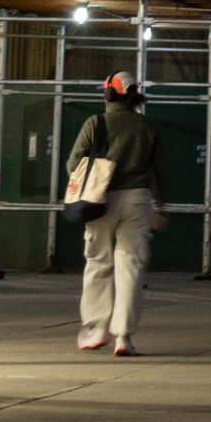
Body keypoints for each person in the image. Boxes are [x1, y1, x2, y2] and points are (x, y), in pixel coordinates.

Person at [69, 70, 169, 355]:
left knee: (98, 262)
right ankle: (124, 337)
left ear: (109, 94)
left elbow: (73, 163)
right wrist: (160, 204)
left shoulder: (95, 122)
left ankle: (95, 331)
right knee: (130, 267)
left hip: (100, 200)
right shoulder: (148, 126)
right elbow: (161, 170)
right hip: (138, 201)